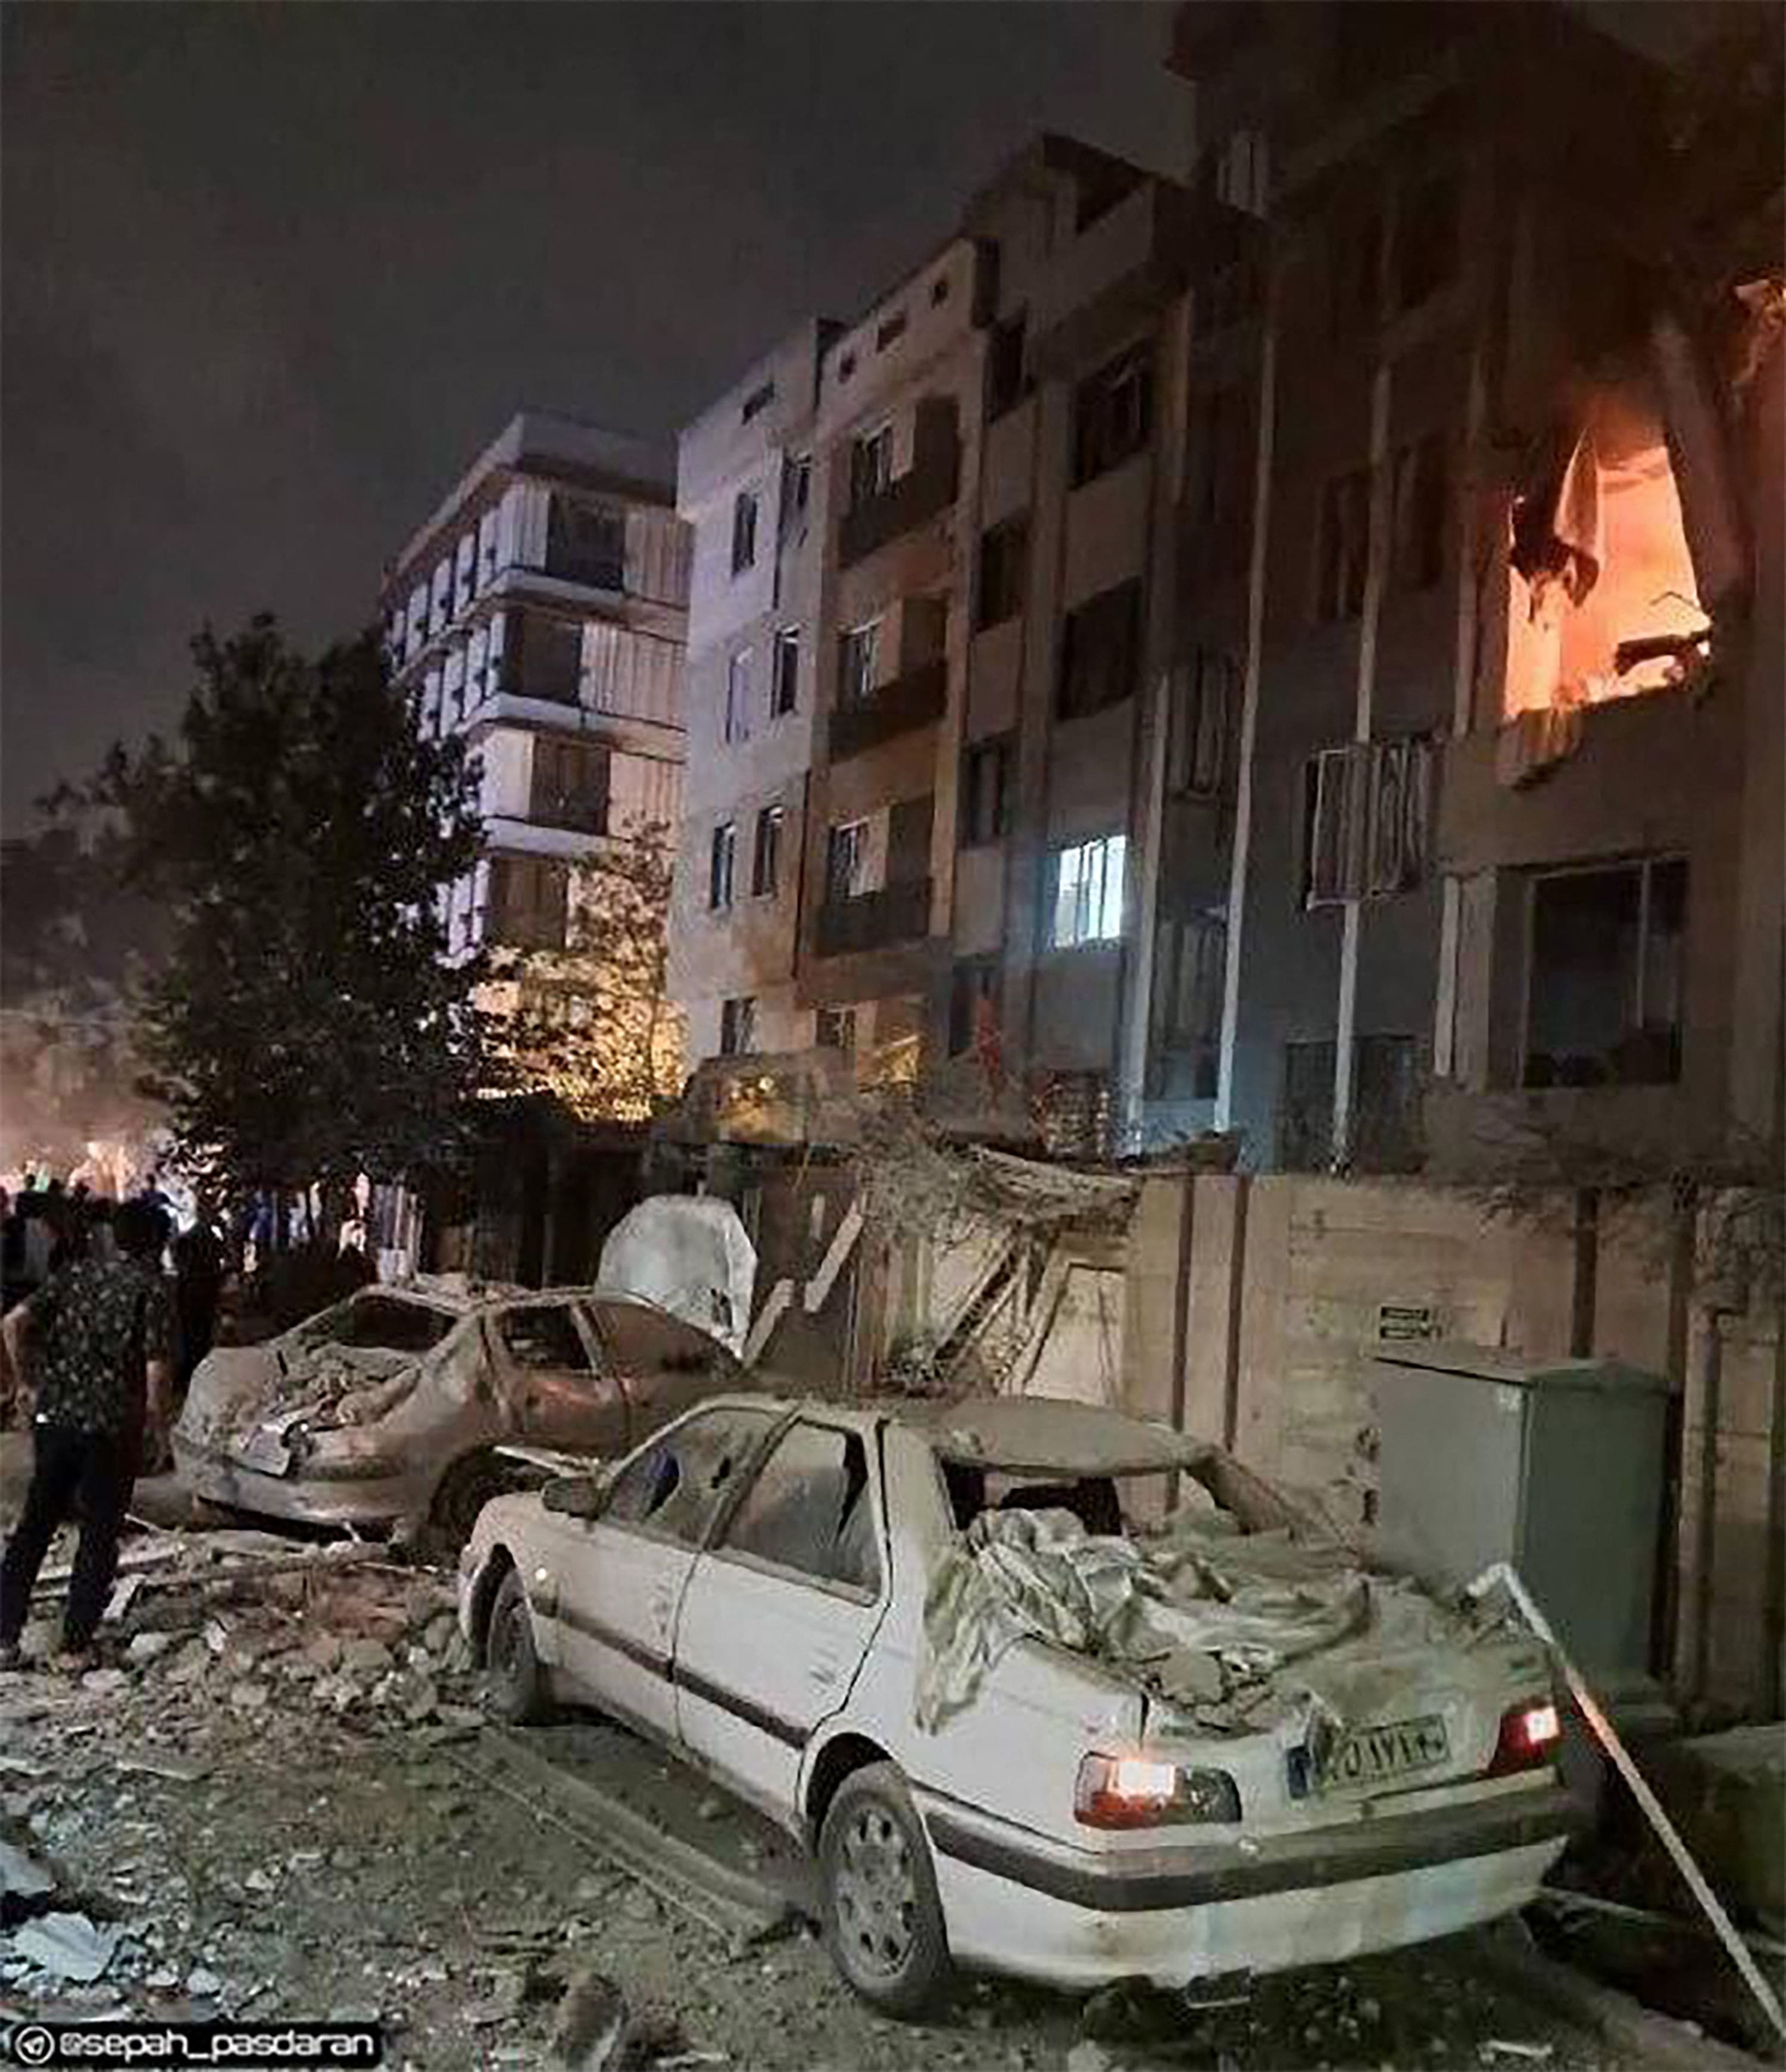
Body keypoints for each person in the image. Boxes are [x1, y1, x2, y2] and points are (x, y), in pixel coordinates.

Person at [0, 1198, 174, 1671]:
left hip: (55, 1419)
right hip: (111, 1429)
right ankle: (75, 1645)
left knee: (35, 1523)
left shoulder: (75, 1275)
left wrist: (27, 1384)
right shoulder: (151, 1289)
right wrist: (160, 1428)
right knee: (98, 1533)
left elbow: (13, 1323)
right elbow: (157, 1370)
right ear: (158, 1243)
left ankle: (4, 1635)